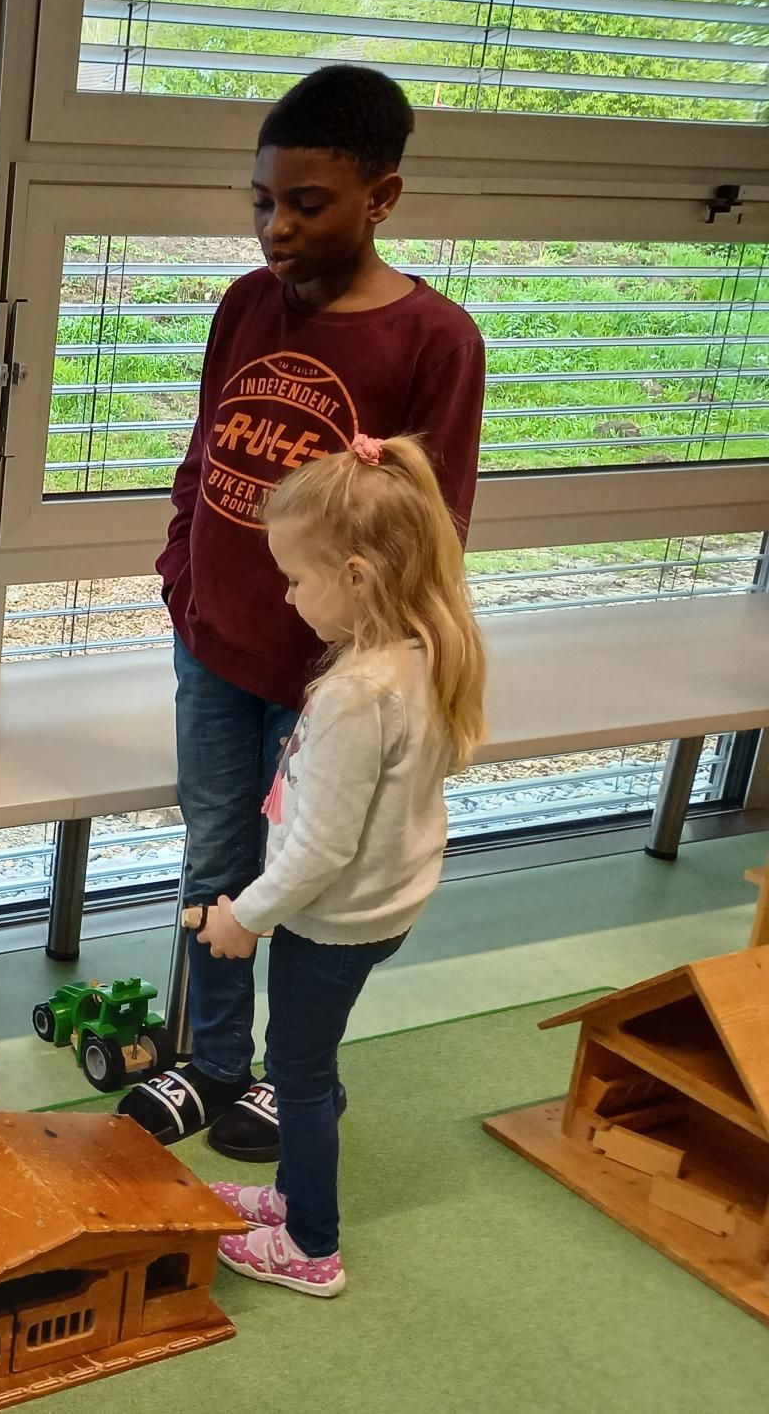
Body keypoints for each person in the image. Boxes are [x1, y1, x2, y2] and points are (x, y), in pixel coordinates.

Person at [117, 64, 486, 1164]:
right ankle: (214, 1062)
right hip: (213, 651)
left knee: (310, 879)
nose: (275, 228)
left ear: (382, 198)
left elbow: (434, 528)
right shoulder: (243, 304)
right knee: (213, 859)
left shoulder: (435, 343)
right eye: (261, 203)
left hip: (334, 684)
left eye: (306, 204)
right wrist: (182, 581)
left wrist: (377, 668)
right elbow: (202, 457)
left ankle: (291, 1074)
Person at [194, 434, 487, 1296]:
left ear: (356, 577)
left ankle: (311, 1245)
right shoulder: (423, 656)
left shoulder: (358, 695)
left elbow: (322, 846)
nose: (287, 597)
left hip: (332, 926)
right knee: (306, 1068)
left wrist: (246, 916)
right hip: (381, 911)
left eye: (296, 578)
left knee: (298, 1078)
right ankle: (290, 1199)